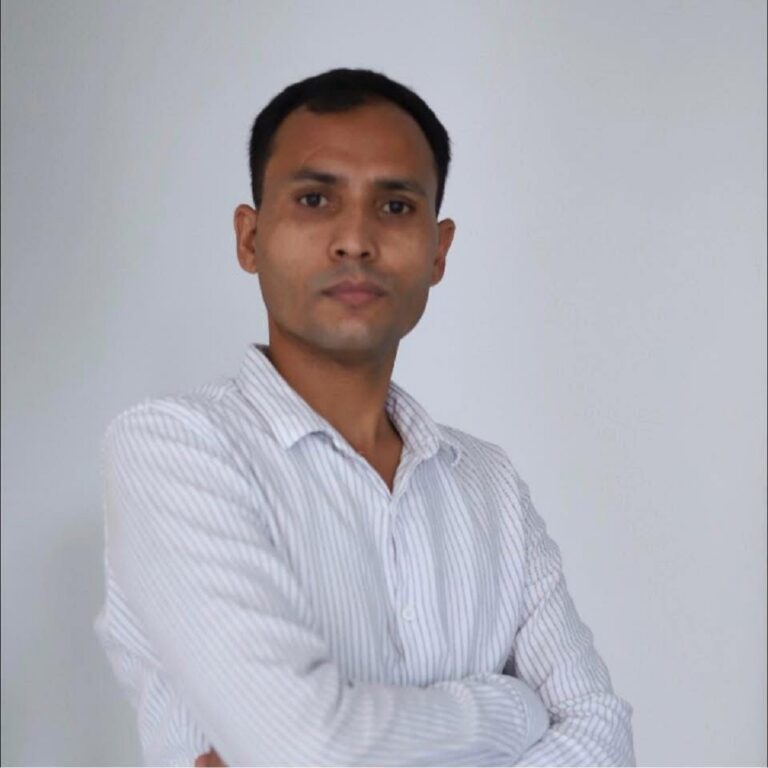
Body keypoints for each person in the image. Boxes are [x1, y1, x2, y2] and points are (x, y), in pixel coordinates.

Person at [94, 67, 636, 767]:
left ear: (438, 251)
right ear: (250, 239)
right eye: (315, 199)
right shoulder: (174, 450)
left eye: (396, 206)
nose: (355, 239)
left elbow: (602, 736)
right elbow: (308, 747)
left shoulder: (489, 485)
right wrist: (511, 710)